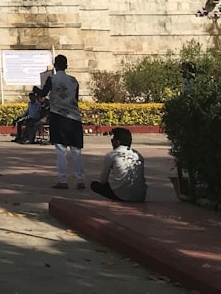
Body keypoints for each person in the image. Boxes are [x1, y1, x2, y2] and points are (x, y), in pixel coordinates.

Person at [41, 54, 85, 189]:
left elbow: (43, 94)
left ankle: (63, 180)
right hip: (74, 118)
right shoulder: (74, 81)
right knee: (76, 151)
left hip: (58, 117)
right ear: (66, 66)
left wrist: (36, 90)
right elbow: (75, 99)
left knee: (61, 150)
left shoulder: (52, 79)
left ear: (55, 66)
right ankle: (80, 180)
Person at [91, 127, 147, 203]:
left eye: (112, 140)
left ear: (117, 142)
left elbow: (102, 180)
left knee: (95, 185)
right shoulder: (138, 155)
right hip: (140, 196)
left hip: (121, 196)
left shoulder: (112, 155)